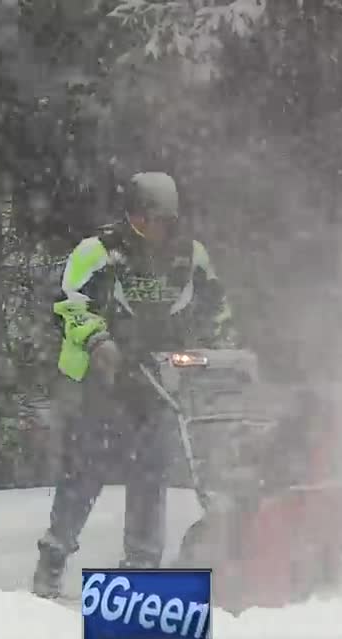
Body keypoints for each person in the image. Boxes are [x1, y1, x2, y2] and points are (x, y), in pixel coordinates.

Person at [32, 171, 236, 598]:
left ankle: (141, 569)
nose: (154, 228)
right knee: (85, 471)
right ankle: (53, 559)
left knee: (151, 473)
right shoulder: (99, 252)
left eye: (162, 220)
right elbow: (68, 304)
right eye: (146, 219)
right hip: (98, 379)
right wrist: (99, 340)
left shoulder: (189, 256)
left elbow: (216, 309)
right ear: (131, 215)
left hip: (156, 378)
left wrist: (216, 352)